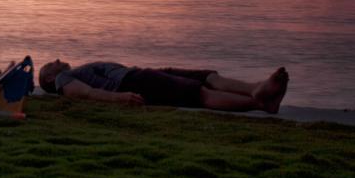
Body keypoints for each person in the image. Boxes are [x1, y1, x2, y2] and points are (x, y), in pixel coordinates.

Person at [38, 59, 289, 113]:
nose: (57, 60)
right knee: (198, 94)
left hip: (142, 73)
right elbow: (85, 93)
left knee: (207, 76)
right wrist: (119, 98)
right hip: (133, 81)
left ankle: (257, 88)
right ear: (49, 79)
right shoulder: (63, 80)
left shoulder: (70, 73)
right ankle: (259, 102)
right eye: (50, 64)